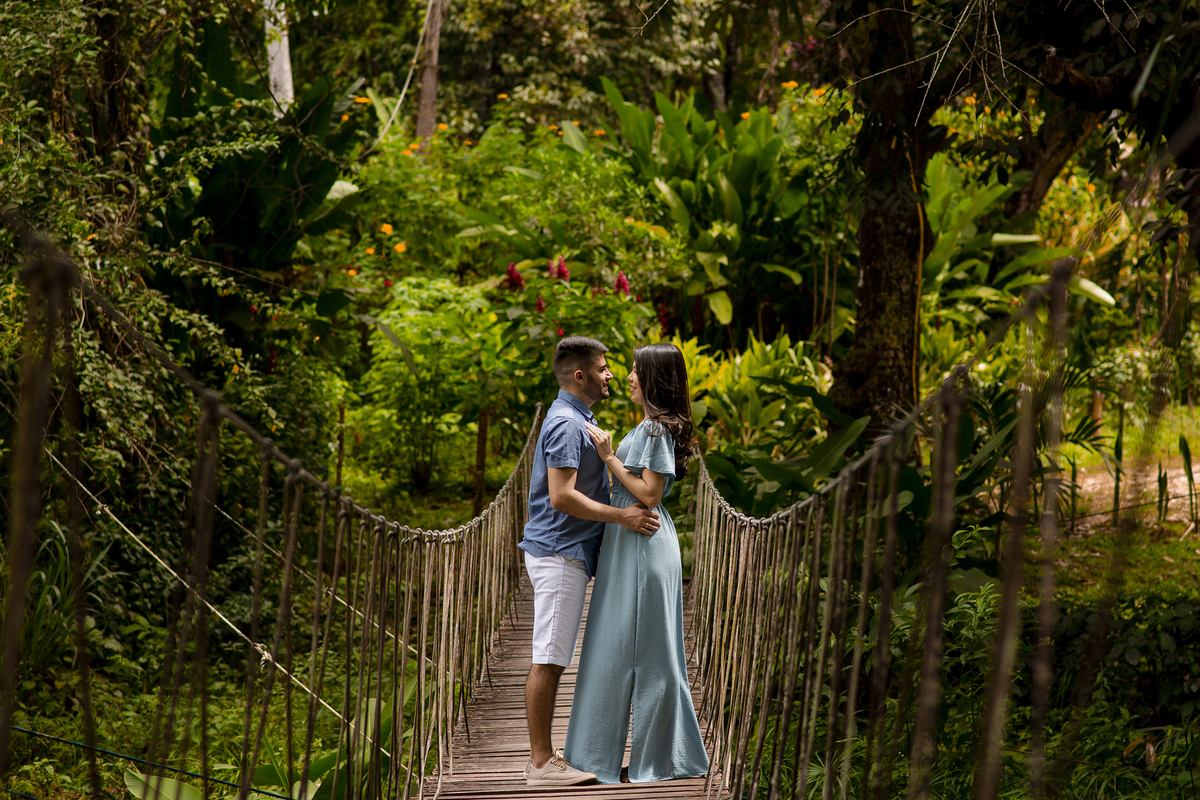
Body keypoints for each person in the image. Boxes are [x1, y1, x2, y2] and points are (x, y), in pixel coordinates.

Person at [518, 336, 663, 787]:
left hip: (566, 552)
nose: (610, 375)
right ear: (580, 376)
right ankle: (540, 764)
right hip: (560, 554)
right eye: (602, 368)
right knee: (549, 657)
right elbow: (562, 496)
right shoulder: (565, 423)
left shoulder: (576, 418)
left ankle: (544, 757)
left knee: (553, 654)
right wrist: (622, 516)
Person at [563, 342, 709, 784]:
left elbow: (649, 494)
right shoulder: (648, 425)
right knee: (617, 647)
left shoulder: (655, 429)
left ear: (653, 378)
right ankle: (610, 756)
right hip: (631, 541)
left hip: (643, 542)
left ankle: (659, 759)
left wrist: (608, 456)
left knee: (647, 654)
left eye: (633, 370)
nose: (626, 377)